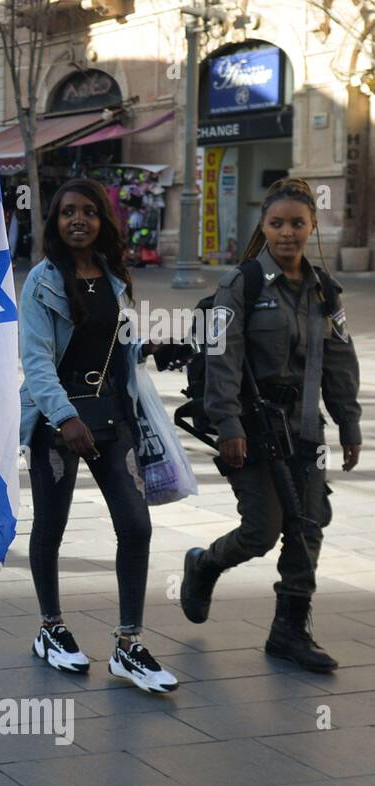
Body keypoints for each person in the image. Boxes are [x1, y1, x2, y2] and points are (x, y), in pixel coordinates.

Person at [181, 178, 361, 672]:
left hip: (305, 429)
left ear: (312, 226)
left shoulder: (326, 289)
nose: (287, 233)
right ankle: (206, 563)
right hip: (252, 427)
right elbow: (221, 355)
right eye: (277, 223)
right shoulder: (240, 284)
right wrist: (228, 425)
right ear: (263, 226)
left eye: (297, 224)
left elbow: (340, 360)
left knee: (308, 526)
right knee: (262, 530)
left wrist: (348, 423)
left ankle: (289, 631)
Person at [18, 178, 181, 694]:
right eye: (68, 212)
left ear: (103, 220)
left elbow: (115, 349)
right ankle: (51, 628)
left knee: (136, 527)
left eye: (89, 211)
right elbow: (37, 361)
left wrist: (152, 345)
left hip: (113, 419)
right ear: (55, 221)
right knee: (52, 526)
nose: (78, 220)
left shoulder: (114, 278)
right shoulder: (41, 282)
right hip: (56, 424)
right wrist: (66, 418)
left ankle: (128, 644)